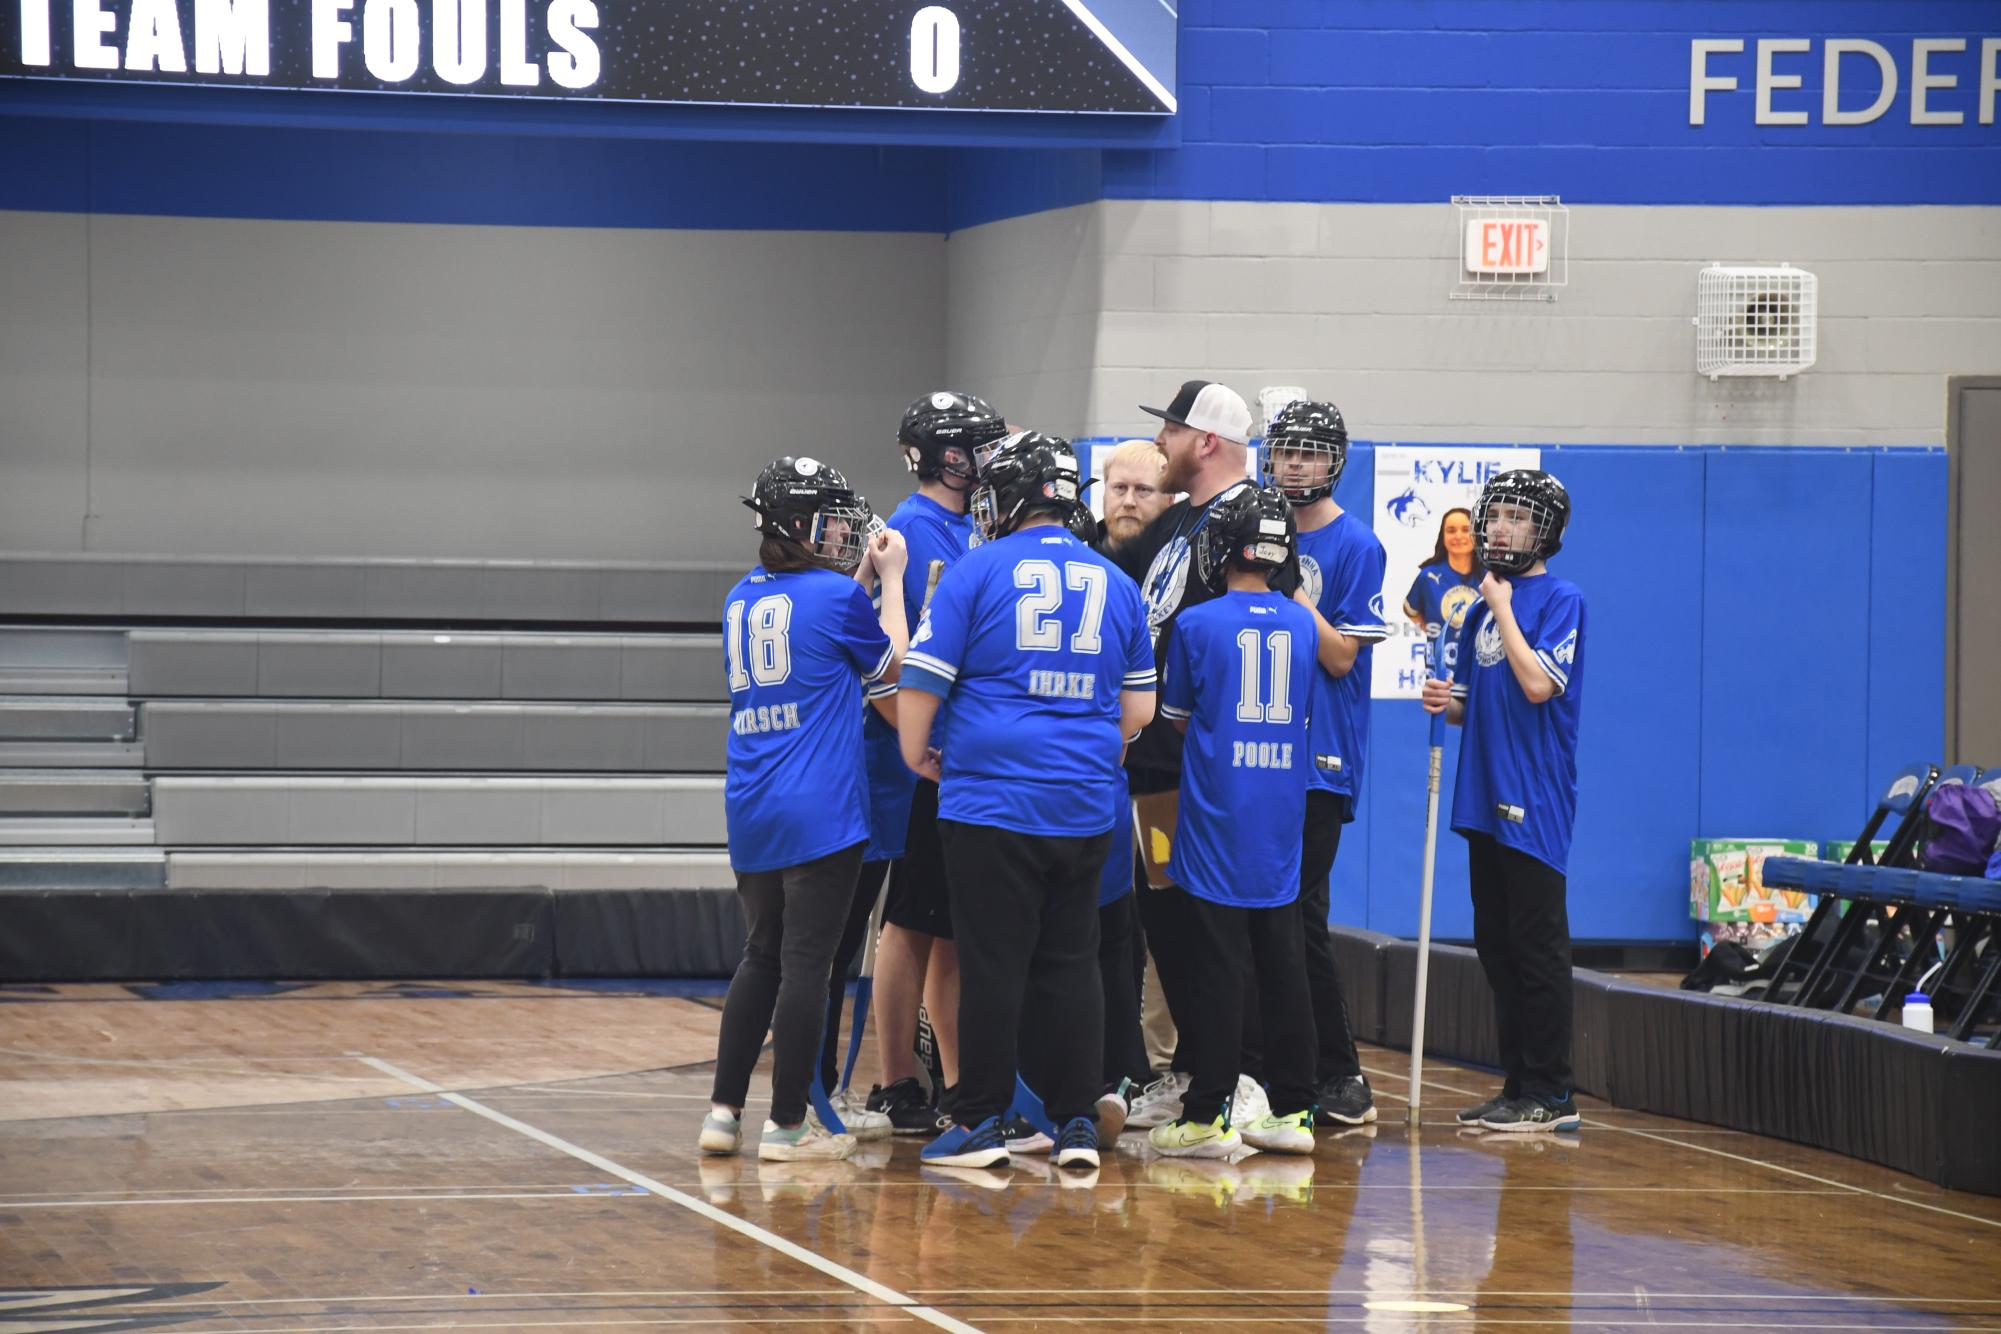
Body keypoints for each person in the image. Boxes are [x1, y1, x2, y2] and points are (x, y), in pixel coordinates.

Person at [898, 431, 1156, 1171]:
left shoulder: (975, 572)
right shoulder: (1116, 581)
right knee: (1071, 961)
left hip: (990, 802)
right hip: (1083, 804)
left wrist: (918, 755)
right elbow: (1136, 715)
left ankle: (981, 1119)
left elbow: (922, 681)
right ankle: (1078, 1120)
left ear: (1008, 497)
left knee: (993, 962)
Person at [703, 457, 909, 1161]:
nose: (841, 533)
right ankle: (787, 1124)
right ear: (797, 526)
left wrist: (857, 589)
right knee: (808, 969)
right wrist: (893, 583)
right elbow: (891, 681)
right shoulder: (841, 598)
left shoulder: (737, 598)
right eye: (827, 521)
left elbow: (816, 635)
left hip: (752, 805)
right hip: (822, 810)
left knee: (759, 957)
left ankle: (723, 1114)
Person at [828, 392, 1010, 1138]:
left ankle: (952, 1081)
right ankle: (896, 1077)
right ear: (949, 456)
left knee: (945, 928)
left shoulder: (971, 527)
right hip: (917, 760)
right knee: (908, 920)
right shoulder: (913, 530)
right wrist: (919, 742)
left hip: (956, 753)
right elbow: (890, 662)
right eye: (980, 447)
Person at [1149, 484, 1320, 1159]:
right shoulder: (1305, 623)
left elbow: (1179, 717)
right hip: (1280, 817)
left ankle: (1204, 1114)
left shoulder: (1196, 624)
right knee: (1283, 963)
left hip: (1217, 815)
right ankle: (1295, 1111)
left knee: (1215, 968)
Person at [1112, 378, 1263, 1132]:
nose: (1160, 445)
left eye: (1170, 432)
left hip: (1201, 761)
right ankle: (1193, 1070)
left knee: (1205, 923)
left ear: (1203, 440)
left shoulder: (1245, 517)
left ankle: (1229, 1079)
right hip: (1153, 758)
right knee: (1164, 915)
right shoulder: (1176, 523)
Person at [1420, 469, 1585, 1133]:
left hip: (1533, 794)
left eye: (1516, 517)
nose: (1499, 528)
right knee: (1495, 944)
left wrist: (1506, 608)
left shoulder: (1558, 598)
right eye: (1495, 516)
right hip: (1480, 792)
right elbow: (1470, 701)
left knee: (1534, 944)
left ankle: (1551, 1091)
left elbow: (1538, 684)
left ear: (1544, 530)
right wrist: (1443, 701)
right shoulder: (1484, 606)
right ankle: (1516, 1083)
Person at [1260, 399, 1388, 1126]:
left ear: (1334, 461)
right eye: (1285, 451)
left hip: (1320, 757)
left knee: (1301, 915)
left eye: (1309, 452)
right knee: (1266, 913)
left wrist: (1292, 590)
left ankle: (1340, 1074)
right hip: (1260, 754)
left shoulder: (1355, 545)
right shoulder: (1256, 530)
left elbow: (1340, 654)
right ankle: (1278, 1067)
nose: (1295, 465)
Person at [1404, 507, 1483, 645]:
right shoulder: (1428, 576)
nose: (1458, 536)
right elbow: (1411, 610)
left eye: (1465, 530)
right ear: (1443, 536)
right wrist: (1436, 634)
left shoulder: (1491, 576)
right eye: (1451, 531)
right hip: (1440, 664)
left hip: (1479, 664)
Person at [1099, 439, 1172, 553]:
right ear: (1105, 494)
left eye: (1143, 489)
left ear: (1169, 500)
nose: (1129, 502)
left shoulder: (1185, 565)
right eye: (1120, 488)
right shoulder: (1077, 560)